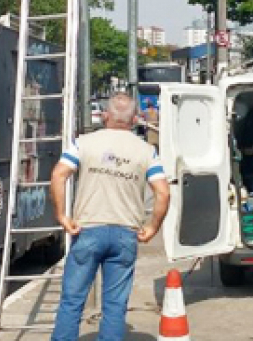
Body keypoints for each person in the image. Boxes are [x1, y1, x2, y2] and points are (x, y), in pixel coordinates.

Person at [50, 92, 171, 341]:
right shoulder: (147, 151)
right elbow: (163, 193)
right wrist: (152, 227)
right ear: (135, 119)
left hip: (87, 230)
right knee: (115, 306)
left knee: (72, 300)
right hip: (126, 234)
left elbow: (59, 175)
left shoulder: (82, 143)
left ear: (105, 115)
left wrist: (62, 215)